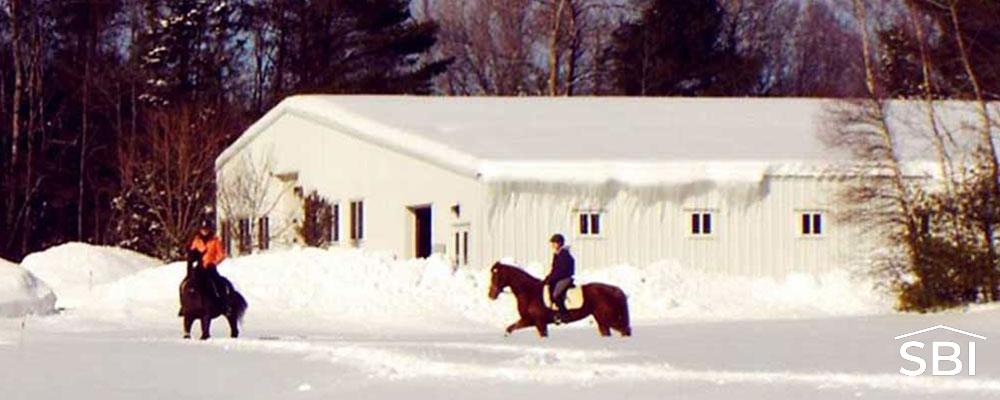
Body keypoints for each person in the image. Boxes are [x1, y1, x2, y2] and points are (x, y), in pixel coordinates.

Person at [187, 220, 228, 301]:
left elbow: (221, 254)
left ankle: (223, 301)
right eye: (203, 229)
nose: (204, 231)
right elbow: (192, 251)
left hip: (210, 265)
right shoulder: (197, 240)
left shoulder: (215, 240)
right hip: (200, 265)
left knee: (216, 280)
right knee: (192, 279)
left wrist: (214, 262)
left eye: (206, 229)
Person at [542, 233, 574, 324]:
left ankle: (564, 315)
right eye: (552, 243)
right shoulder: (556, 254)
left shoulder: (564, 254)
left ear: (559, 243)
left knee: (556, 294)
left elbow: (561, 270)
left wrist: (552, 278)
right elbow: (554, 269)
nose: (552, 245)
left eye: (554, 243)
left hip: (565, 277)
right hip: (559, 277)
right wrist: (547, 278)